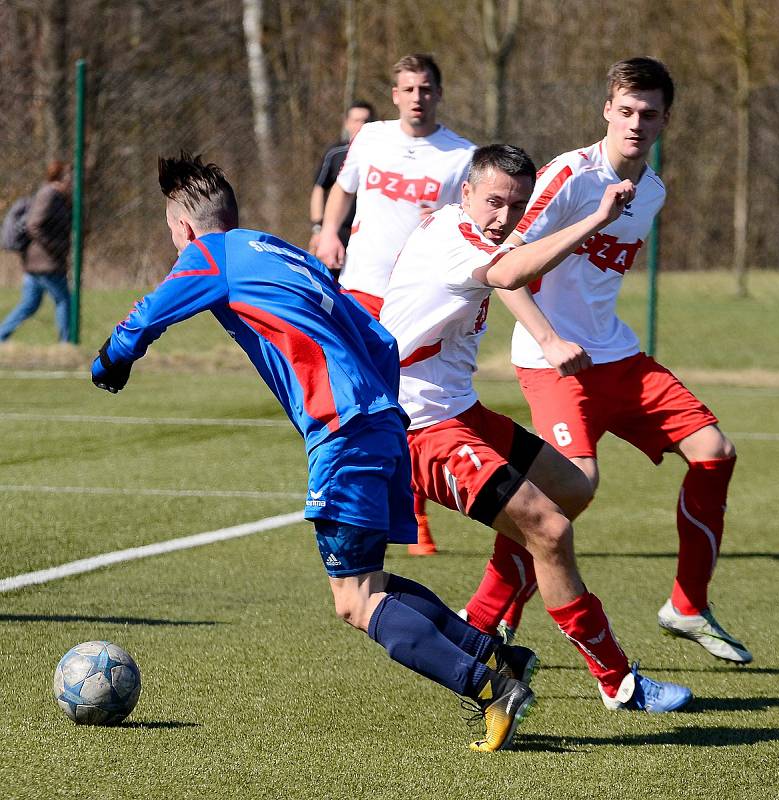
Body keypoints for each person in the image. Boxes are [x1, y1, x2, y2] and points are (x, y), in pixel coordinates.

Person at [90, 151, 541, 753]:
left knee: (356, 602)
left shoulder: (209, 255)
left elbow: (147, 316)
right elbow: (376, 336)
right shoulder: (287, 253)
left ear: (184, 228)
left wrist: (110, 361)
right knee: (373, 580)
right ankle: (499, 657)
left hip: (343, 431)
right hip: (383, 422)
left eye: (174, 235)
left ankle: (488, 688)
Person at [380, 143, 693, 717]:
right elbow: (513, 270)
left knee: (571, 489)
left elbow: (507, 267)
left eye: (517, 205)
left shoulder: (459, 225)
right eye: (494, 201)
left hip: (458, 408)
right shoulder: (460, 241)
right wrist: (595, 218)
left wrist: (548, 333)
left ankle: (481, 622)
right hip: (418, 424)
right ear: (466, 192)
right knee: (548, 528)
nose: (505, 217)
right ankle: (617, 682)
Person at [464, 57, 751, 664]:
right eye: (625, 111)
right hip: (553, 362)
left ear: (666, 119)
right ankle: (486, 615)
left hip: (616, 355)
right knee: (576, 488)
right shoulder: (570, 175)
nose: (636, 123)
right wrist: (548, 340)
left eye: (649, 113)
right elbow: (502, 269)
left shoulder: (653, 191)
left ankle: (687, 605)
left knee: (714, 453)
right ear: (606, 111)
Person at [316, 53, 476, 556]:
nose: (417, 98)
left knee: (404, 407)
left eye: (425, 89)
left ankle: (415, 517)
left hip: (416, 299)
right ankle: (350, 505)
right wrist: (326, 235)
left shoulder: (460, 155)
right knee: (358, 402)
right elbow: (343, 191)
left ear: (438, 92)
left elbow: (478, 221)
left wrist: (448, 214)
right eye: (408, 89)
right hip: (360, 286)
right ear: (394, 94)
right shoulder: (372, 138)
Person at [0, 160, 72, 343]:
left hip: (38, 262)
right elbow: (33, 225)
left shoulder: (60, 196)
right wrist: (55, 247)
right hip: (45, 262)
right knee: (64, 301)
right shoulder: (48, 195)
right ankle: (66, 343)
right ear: (60, 177)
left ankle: (1, 336)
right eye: (69, 175)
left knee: (29, 304)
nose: (73, 179)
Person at [307, 100, 375, 269]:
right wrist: (318, 229)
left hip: (370, 232)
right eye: (356, 120)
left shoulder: (383, 153)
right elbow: (319, 188)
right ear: (346, 122)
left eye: (365, 121)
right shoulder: (335, 153)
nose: (361, 125)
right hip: (339, 231)